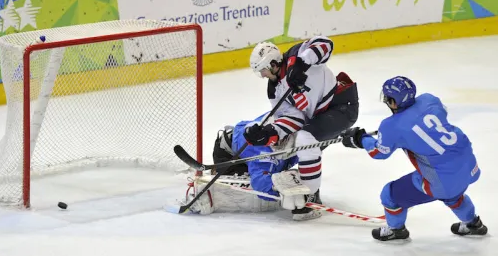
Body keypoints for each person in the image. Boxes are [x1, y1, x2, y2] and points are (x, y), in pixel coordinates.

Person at [340, 76, 488, 241]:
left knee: (389, 194)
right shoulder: (429, 100)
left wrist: (360, 139)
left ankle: (396, 230)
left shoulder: (391, 125)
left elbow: (379, 152)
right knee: (453, 193)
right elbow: (439, 117)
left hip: (444, 179)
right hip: (469, 166)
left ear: (393, 101)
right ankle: (473, 224)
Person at [241, 37, 359, 217]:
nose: (263, 75)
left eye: (263, 70)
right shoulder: (274, 89)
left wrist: (303, 64)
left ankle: (310, 196)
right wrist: (268, 133)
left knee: (305, 138)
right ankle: (310, 189)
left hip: (342, 105)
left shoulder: (296, 55)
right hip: (319, 117)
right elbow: (294, 118)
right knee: (302, 143)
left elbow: (326, 44)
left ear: (273, 63)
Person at [185, 112, 324, 221]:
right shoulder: (263, 152)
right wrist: (280, 190)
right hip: (230, 156)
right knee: (250, 187)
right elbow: (260, 183)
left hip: (257, 148)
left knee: (292, 171)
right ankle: (208, 192)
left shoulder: (291, 122)